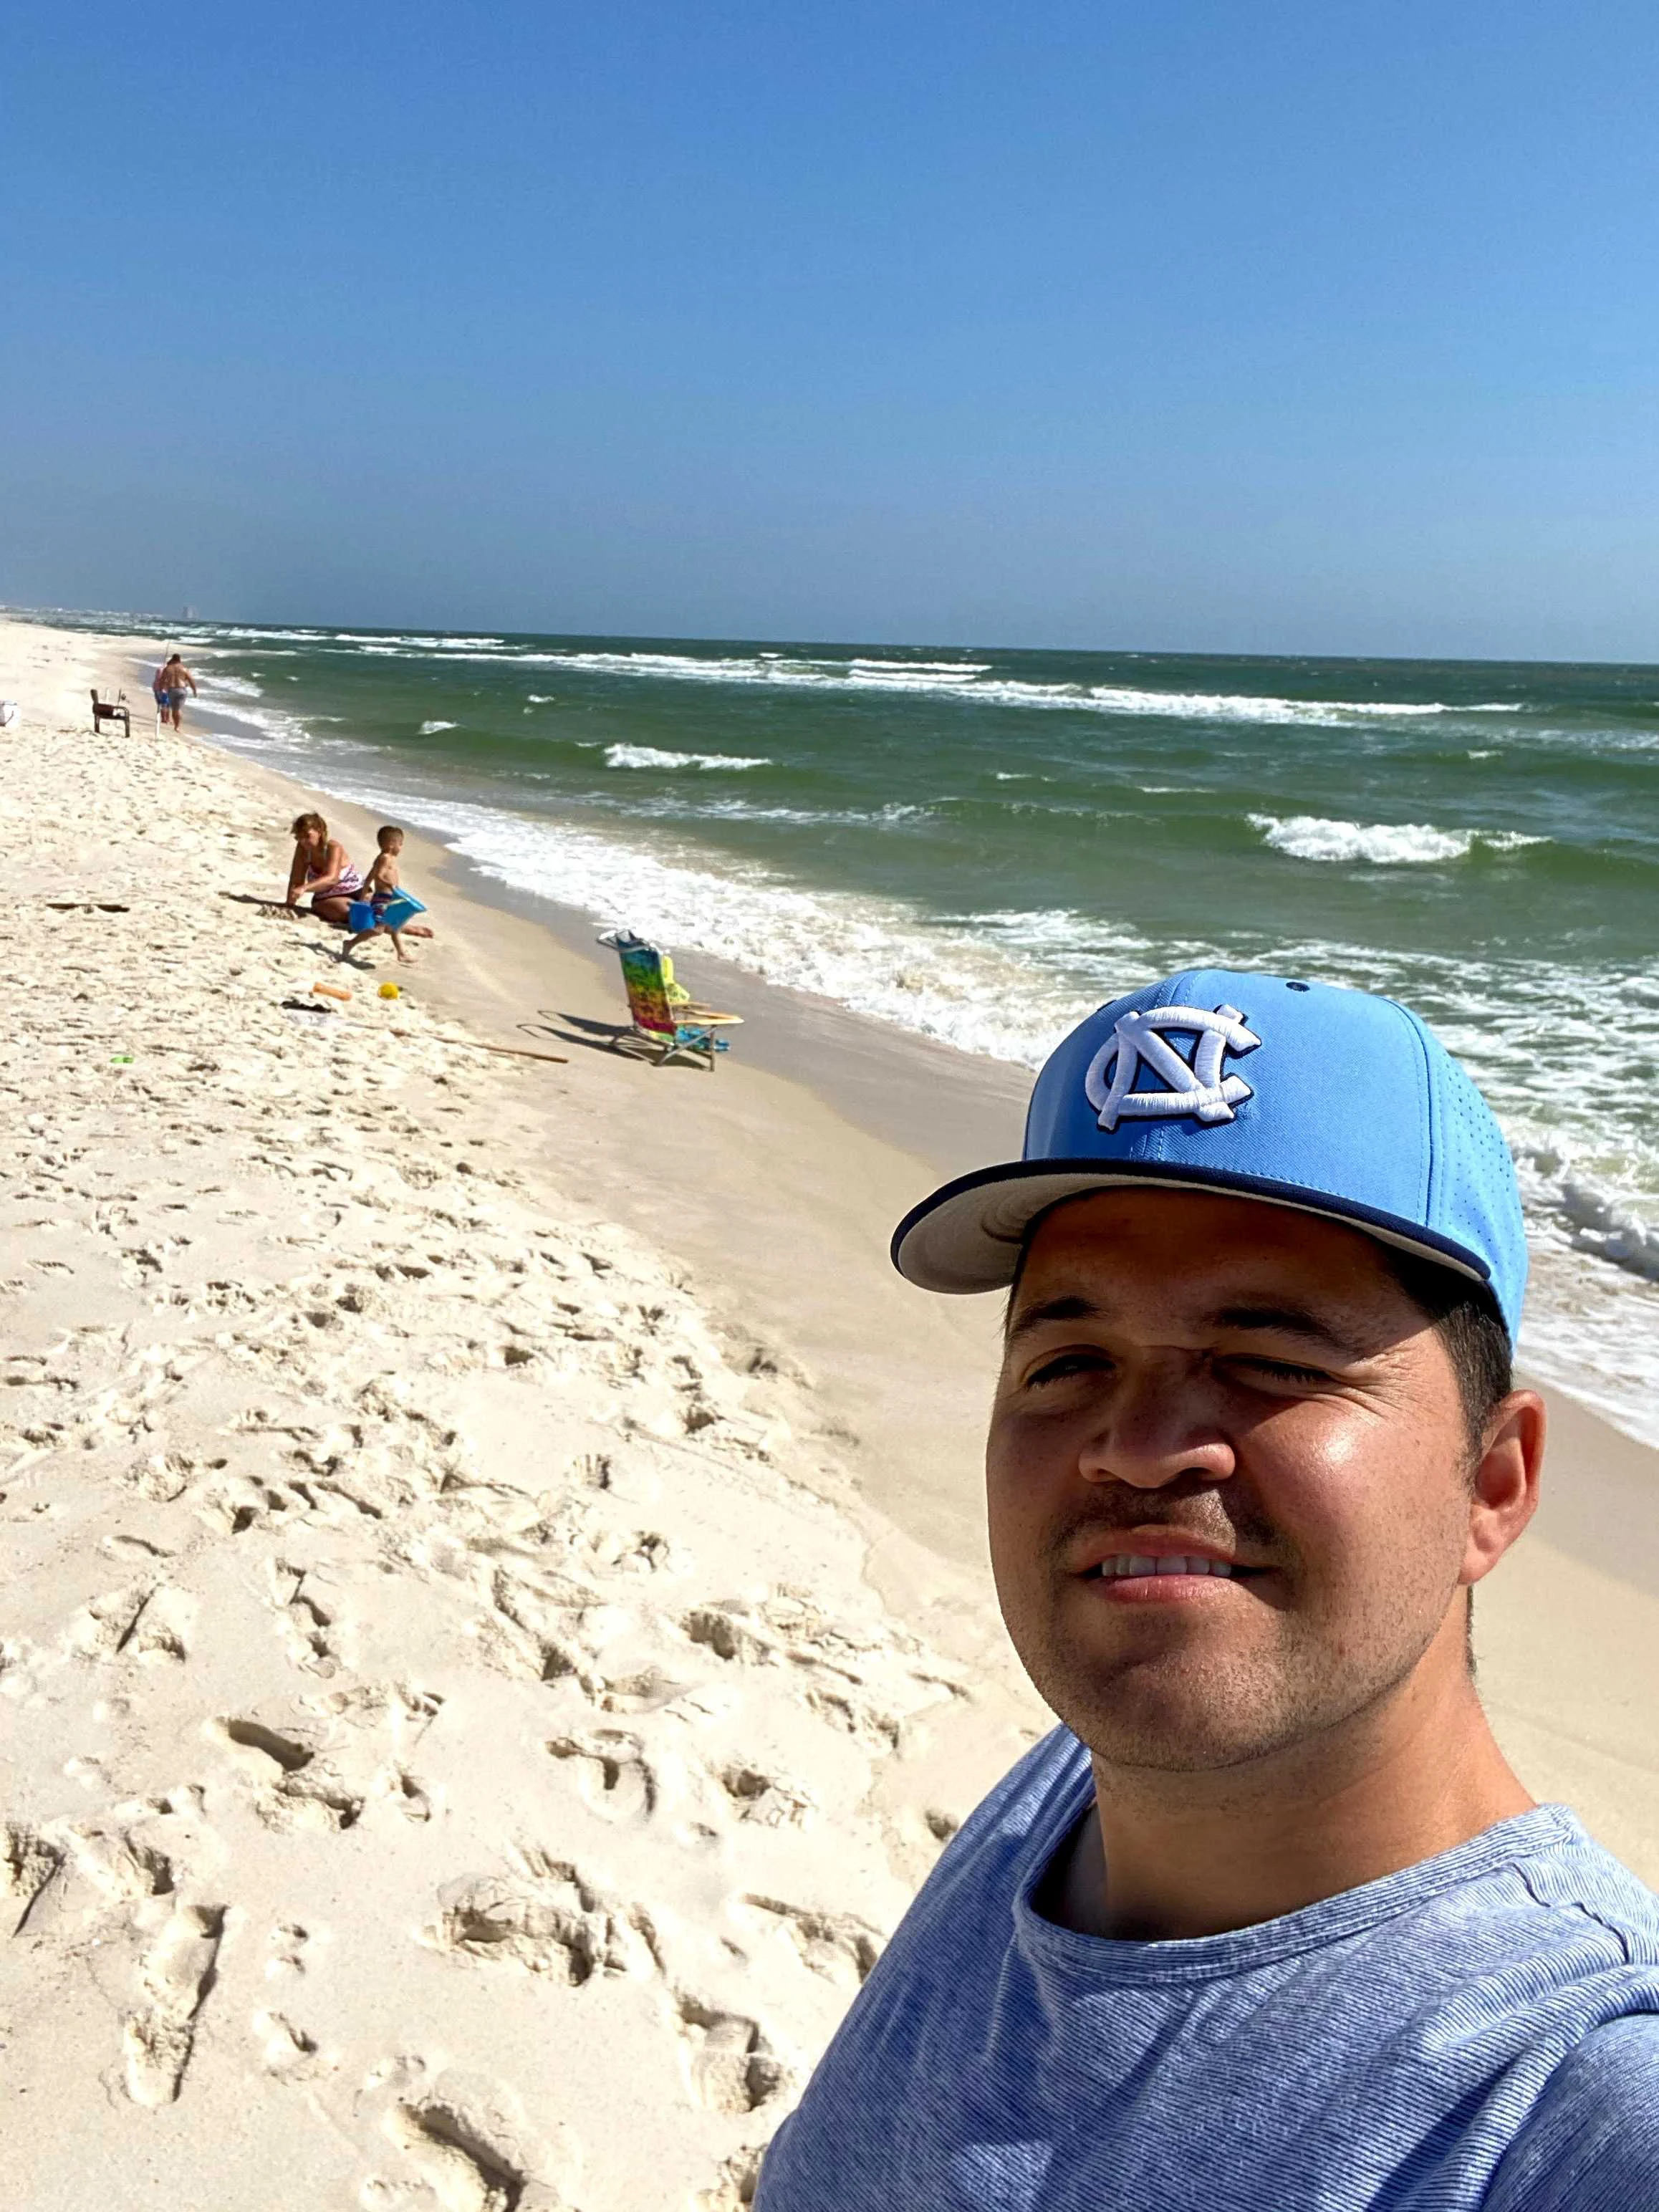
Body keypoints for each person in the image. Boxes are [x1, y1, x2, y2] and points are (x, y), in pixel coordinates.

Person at [757, 972, 1659, 2211]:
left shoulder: (1571, 2103)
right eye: (1068, 1358)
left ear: (1491, 1483)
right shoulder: (1064, 1790)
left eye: (1270, 1359)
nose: (1135, 1445)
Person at [342, 826, 427, 963]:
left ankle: (402, 954)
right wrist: (390, 886)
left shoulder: (383, 858)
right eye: (400, 844)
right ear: (392, 845)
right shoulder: (386, 858)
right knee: (378, 930)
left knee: (396, 927)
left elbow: (369, 878)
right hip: (382, 898)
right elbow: (379, 876)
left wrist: (363, 895)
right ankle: (350, 943)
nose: (401, 847)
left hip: (391, 898)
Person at [284, 812, 365, 925]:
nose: (303, 841)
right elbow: (297, 877)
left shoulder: (333, 847)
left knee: (382, 910)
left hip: (356, 889)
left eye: (307, 836)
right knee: (350, 913)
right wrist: (290, 903)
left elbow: (332, 878)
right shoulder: (304, 849)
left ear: (320, 832)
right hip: (328, 897)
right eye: (299, 837)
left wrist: (304, 888)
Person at [152, 651, 197, 731]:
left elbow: (162, 680)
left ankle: (174, 724)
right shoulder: (184, 669)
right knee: (178, 709)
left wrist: (162, 688)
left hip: (172, 690)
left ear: (172, 659)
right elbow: (191, 680)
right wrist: (194, 691)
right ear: (180, 660)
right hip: (182, 690)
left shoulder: (168, 669)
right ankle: (178, 726)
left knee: (173, 709)